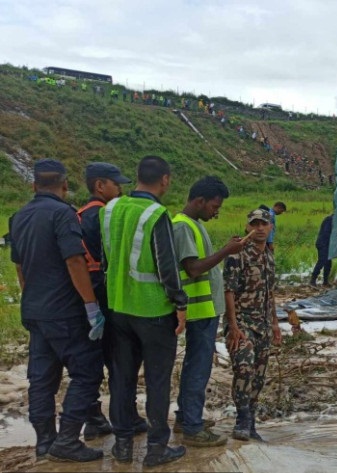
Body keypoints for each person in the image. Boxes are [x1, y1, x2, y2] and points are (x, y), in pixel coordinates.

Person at [10, 159, 105, 463]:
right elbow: (75, 261)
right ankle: (67, 440)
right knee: (87, 372)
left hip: (35, 310)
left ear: (33, 185)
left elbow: (20, 266)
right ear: (65, 185)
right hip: (64, 311)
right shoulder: (63, 214)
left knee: (42, 378)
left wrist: (31, 298)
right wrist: (91, 306)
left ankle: (44, 442)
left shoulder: (19, 217)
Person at [101, 156, 188, 467]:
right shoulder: (156, 214)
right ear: (164, 180)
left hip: (118, 308)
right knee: (157, 380)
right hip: (153, 311)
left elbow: (106, 256)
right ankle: (156, 448)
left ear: (136, 176)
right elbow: (168, 267)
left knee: (122, 378)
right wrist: (180, 303)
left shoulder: (111, 208)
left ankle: (122, 445)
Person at [77, 163, 148, 441]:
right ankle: (126, 417)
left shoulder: (79, 216)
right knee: (121, 360)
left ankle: (94, 417)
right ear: (100, 186)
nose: (120, 189)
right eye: (115, 184)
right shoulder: (105, 216)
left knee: (89, 360)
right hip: (109, 297)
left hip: (85, 298)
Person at [172, 176, 244, 447]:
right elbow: (193, 268)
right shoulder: (182, 227)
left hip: (204, 310)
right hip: (198, 310)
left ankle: (185, 418)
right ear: (199, 201)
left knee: (196, 366)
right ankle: (192, 427)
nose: (216, 211)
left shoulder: (194, 225)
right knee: (198, 369)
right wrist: (226, 251)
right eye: (214, 206)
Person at [224, 209, 282, 442]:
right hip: (242, 323)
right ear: (247, 227)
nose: (259, 228)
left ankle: (252, 422)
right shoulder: (237, 255)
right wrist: (233, 326)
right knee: (244, 368)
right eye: (254, 224)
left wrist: (276, 323)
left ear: (270, 228)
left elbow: (270, 293)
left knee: (258, 374)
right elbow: (228, 291)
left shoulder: (269, 256)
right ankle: (242, 418)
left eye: (264, 224)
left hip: (264, 324)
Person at [310, 214, 334, 287]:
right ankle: (312, 280)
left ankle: (325, 281)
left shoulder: (332, 219)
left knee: (328, 263)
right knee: (322, 261)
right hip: (323, 243)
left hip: (327, 244)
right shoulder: (329, 219)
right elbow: (327, 233)